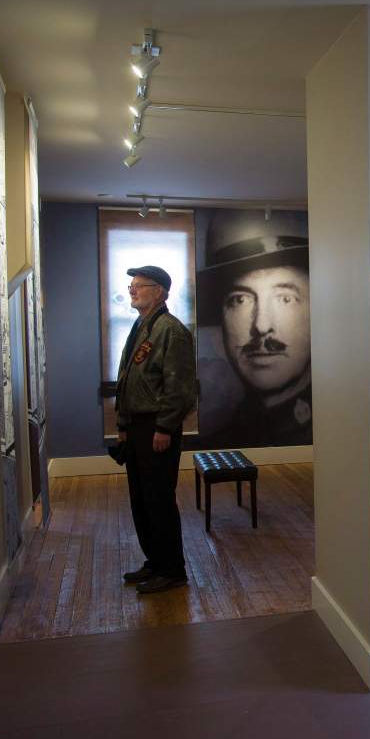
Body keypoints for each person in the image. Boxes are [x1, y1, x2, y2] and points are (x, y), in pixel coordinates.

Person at [114, 265, 197, 594]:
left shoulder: (171, 330)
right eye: (131, 285)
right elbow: (129, 379)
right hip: (137, 427)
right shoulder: (143, 326)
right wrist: (123, 425)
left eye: (140, 285)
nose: (132, 290)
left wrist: (164, 427)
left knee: (159, 498)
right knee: (141, 498)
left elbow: (180, 388)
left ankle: (172, 569)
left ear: (160, 291)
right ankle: (156, 561)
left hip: (156, 428)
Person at [200, 236, 312, 447]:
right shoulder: (224, 439)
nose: (261, 326)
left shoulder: (339, 436)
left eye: (285, 299)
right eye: (240, 299)